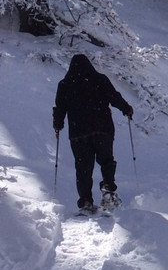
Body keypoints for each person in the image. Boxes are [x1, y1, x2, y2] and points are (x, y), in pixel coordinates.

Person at [53, 54, 133, 212]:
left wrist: (58, 125)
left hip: (78, 133)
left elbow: (60, 108)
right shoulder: (99, 79)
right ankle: (108, 192)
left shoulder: (65, 84)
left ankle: (85, 202)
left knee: (83, 167)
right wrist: (127, 109)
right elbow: (114, 97)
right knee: (106, 161)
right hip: (102, 129)